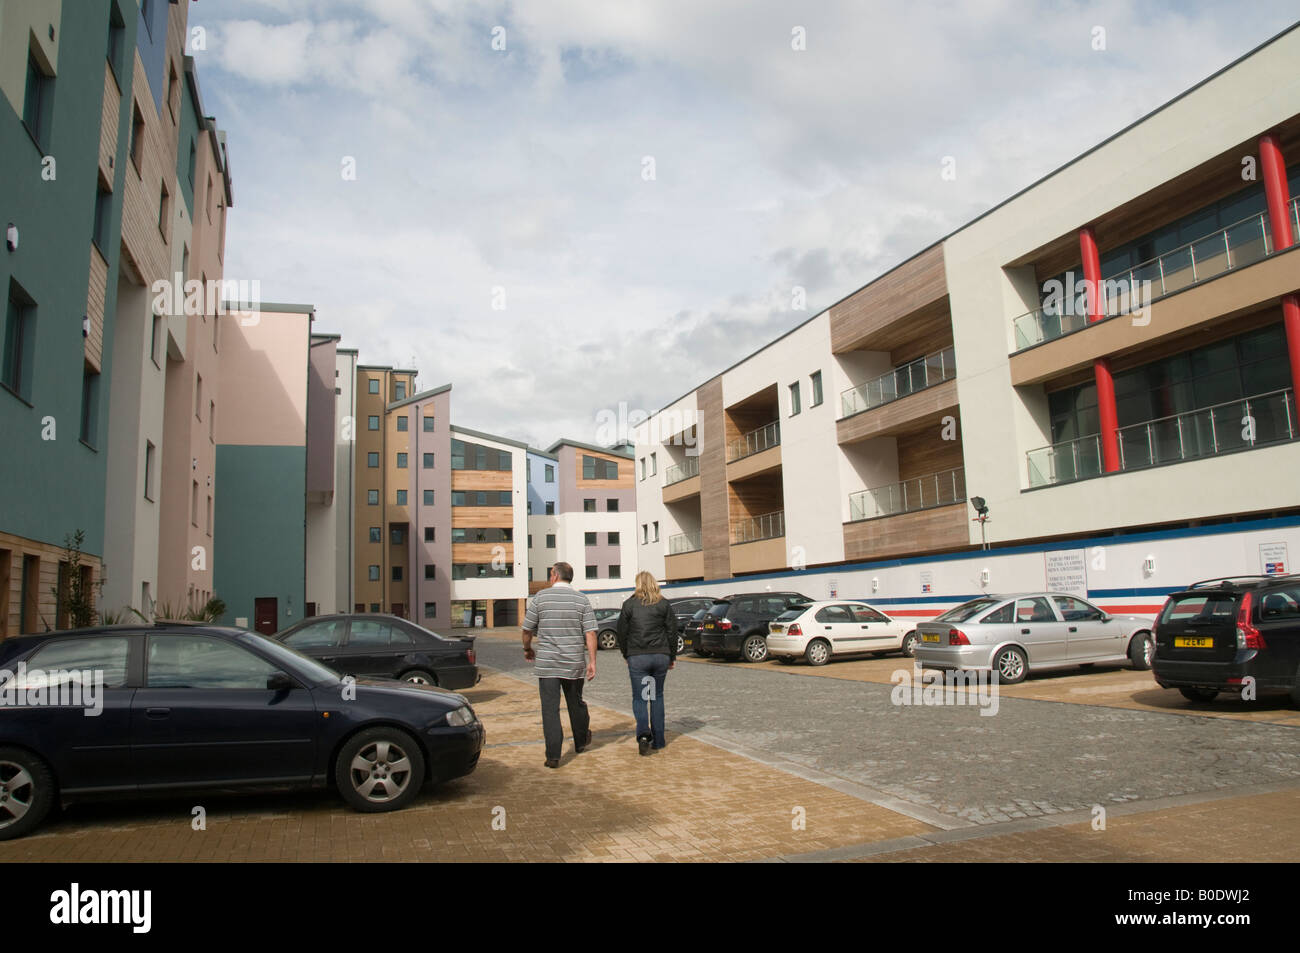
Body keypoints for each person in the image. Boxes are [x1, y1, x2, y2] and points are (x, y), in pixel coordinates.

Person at [522, 562, 597, 769]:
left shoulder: (540, 598)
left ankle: (553, 755)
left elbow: (527, 630)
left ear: (554, 576)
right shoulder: (581, 599)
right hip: (573, 662)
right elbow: (590, 633)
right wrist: (592, 662)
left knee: (550, 710)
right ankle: (581, 742)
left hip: (547, 664)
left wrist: (527, 649)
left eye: (550, 574)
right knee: (576, 703)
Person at [616, 571, 677, 755]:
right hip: (660, 657)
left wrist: (627, 654)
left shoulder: (629, 605)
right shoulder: (664, 604)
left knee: (641, 697)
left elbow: (621, 632)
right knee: (656, 696)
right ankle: (659, 740)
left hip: (638, 658)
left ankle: (643, 734)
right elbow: (672, 631)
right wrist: (671, 657)